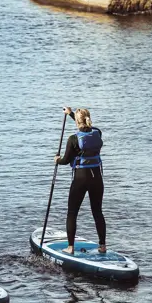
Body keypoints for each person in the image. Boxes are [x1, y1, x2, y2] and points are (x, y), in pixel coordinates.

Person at [55, 107, 106, 255]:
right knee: (97, 212)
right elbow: (87, 128)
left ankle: (70, 248)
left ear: (77, 121)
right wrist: (71, 114)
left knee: (72, 212)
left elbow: (65, 160)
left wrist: (57, 160)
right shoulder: (98, 133)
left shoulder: (73, 139)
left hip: (80, 178)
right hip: (97, 177)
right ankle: (102, 246)